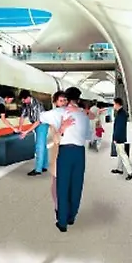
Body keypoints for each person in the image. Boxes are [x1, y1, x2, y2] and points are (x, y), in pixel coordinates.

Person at [53, 87, 91, 233]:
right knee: (76, 185)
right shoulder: (84, 116)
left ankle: (62, 222)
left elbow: (56, 138)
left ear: (67, 99)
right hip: (79, 153)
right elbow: (88, 136)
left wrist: (63, 129)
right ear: (78, 99)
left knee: (63, 186)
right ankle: (71, 217)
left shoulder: (61, 113)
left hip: (65, 151)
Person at [39, 91, 70, 217]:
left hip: (70, 151)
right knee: (57, 180)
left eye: (65, 100)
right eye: (61, 100)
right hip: (58, 151)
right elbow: (56, 139)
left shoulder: (71, 113)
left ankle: (63, 206)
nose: (64, 103)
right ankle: (58, 207)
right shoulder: (51, 115)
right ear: (55, 102)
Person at [17, 90, 46, 176]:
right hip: (35, 124)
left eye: (24, 100)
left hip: (42, 124)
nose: (23, 102)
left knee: (39, 146)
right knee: (43, 145)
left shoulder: (37, 104)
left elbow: (38, 121)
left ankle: (38, 170)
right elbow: (22, 116)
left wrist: (26, 132)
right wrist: (20, 128)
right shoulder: (26, 104)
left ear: (28, 97)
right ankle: (44, 166)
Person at [110, 97, 132, 180]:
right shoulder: (121, 113)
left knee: (123, 154)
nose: (113, 105)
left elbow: (119, 128)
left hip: (119, 137)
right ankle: (119, 169)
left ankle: (131, 171)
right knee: (120, 153)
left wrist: (115, 137)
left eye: (114, 104)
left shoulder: (121, 114)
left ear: (117, 104)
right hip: (120, 136)